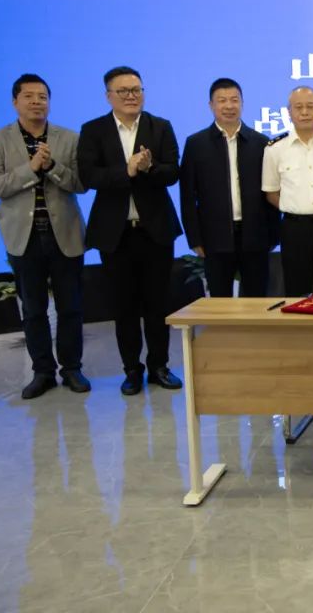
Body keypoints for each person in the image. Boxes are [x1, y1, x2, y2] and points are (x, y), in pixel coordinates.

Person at [77, 66, 183, 395]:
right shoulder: (93, 130)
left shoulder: (160, 126)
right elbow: (88, 177)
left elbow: (172, 172)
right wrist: (127, 171)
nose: (131, 96)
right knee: (124, 307)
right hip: (115, 234)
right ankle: (132, 370)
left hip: (155, 231)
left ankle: (159, 365)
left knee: (157, 304)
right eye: (123, 91)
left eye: (136, 89)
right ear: (109, 96)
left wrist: (150, 168)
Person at [0, 74, 89, 399]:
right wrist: (30, 169)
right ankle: (42, 372)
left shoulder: (68, 137)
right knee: (33, 309)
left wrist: (52, 166)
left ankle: (72, 368)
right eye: (29, 96)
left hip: (64, 233)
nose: (36, 102)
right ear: (15, 101)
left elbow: (81, 184)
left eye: (42, 96)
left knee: (71, 307)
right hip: (23, 236)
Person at [180, 78, 278, 298]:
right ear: (211, 105)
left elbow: (270, 191)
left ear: (242, 103)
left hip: (254, 236)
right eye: (222, 100)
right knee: (219, 299)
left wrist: (273, 235)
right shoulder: (196, 144)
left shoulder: (261, 142)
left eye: (234, 100)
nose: (229, 106)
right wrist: (194, 238)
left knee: (256, 298)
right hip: (214, 237)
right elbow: (187, 196)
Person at [261, 86, 313, 297]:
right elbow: (271, 192)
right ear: (289, 112)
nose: (305, 112)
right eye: (298, 107)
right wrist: (294, 207)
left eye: (310, 107)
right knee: (297, 287)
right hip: (295, 229)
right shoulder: (275, 148)